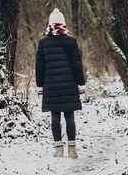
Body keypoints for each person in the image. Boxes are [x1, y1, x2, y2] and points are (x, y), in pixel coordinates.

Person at [35, 8, 86, 159]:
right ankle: (72, 149)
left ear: (50, 24)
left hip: (50, 85)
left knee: (55, 115)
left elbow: (39, 66)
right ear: (63, 24)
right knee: (69, 115)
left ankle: (58, 150)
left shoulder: (43, 42)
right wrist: (81, 84)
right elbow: (77, 65)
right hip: (69, 83)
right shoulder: (71, 41)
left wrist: (39, 86)